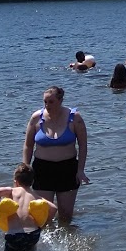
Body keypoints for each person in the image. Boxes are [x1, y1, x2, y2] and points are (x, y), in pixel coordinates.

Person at [23, 85, 89, 220]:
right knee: (44, 214)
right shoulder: (36, 118)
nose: (47, 105)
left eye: (51, 101)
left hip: (67, 169)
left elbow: (83, 145)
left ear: (60, 100)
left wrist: (80, 170)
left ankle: (67, 239)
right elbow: (28, 145)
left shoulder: (74, 118)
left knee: (65, 215)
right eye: (45, 102)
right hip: (42, 169)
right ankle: (44, 240)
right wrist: (25, 169)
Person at [0, 164, 54, 251]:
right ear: (32, 182)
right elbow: (53, 208)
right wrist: (42, 225)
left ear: (16, 181)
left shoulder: (12, 191)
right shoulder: (36, 196)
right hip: (33, 234)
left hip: (15, 235)